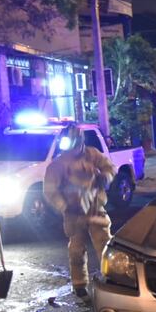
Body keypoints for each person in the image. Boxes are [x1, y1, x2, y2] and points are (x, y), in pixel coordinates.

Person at [44, 125, 116, 298]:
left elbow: (110, 168)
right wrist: (64, 206)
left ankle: (113, 280)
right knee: (76, 250)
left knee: (106, 246)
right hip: (73, 213)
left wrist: (104, 177)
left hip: (95, 209)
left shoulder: (92, 155)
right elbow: (50, 191)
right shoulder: (58, 164)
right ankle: (79, 284)